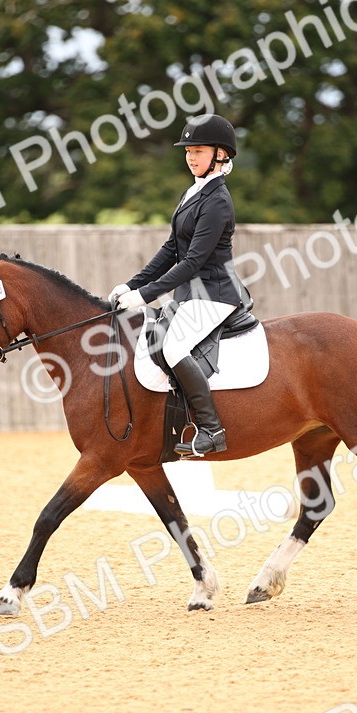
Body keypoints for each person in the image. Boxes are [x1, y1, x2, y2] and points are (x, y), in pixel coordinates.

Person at [109, 114, 246, 457]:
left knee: (172, 348)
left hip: (214, 294)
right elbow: (171, 249)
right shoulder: (194, 192)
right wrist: (130, 284)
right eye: (188, 151)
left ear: (220, 154)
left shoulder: (217, 201)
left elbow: (193, 262)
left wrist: (144, 296)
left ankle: (212, 430)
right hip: (190, 296)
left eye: (198, 151)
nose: (190, 157)